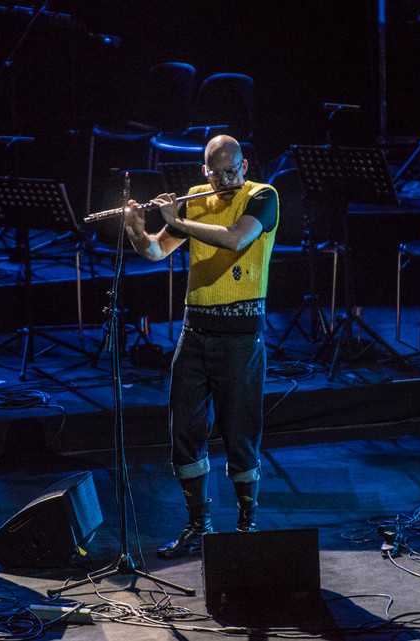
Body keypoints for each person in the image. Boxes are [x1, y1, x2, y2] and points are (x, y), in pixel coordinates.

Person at [124, 134, 278, 558]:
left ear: (244, 167)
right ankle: (199, 525)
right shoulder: (195, 197)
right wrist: (139, 233)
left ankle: (247, 528)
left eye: (234, 171)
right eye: (218, 173)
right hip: (195, 334)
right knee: (184, 434)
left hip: (241, 338)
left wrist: (176, 220)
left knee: (240, 435)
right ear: (203, 171)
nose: (227, 180)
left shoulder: (263, 196)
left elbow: (235, 239)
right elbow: (157, 252)